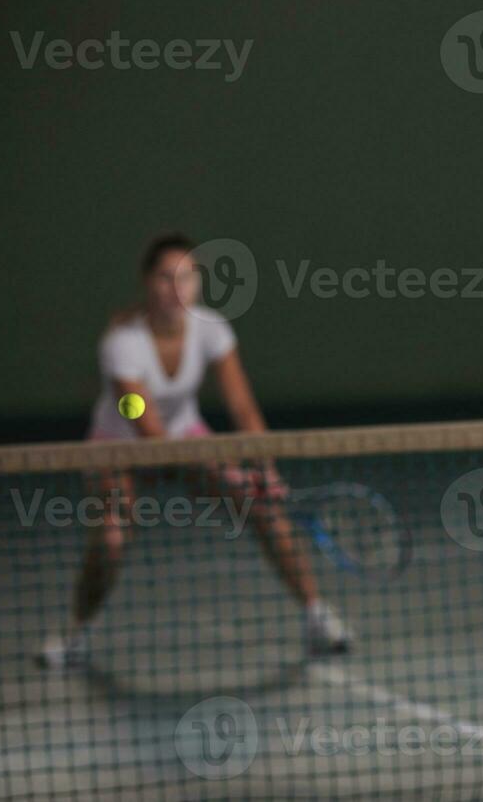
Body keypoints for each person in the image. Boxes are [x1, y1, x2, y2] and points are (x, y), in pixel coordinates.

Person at [39, 233, 350, 667]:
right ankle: (75, 634)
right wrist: (225, 471)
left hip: (186, 433)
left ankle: (317, 616)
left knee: (265, 509)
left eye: (186, 278)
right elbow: (142, 421)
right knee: (110, 537)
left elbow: (241, 405)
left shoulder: (212, 329)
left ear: (198, 284)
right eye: (165, 277)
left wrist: (264, 467)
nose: (175, 288)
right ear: (147, 282)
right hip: (119, 446)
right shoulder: (120, 343)